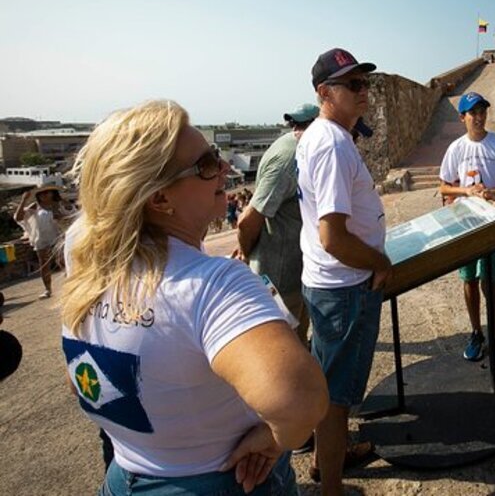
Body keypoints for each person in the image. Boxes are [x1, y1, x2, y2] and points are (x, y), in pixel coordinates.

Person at [60, 100, 327, 495]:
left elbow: (82, 385)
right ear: (159, 199)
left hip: (124, 478)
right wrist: (276, 440)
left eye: (216, 156)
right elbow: (300, 400)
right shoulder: (212, 285)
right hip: (224, 480)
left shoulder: (89, 273)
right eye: (205, 165)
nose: (223, 169)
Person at [297, 48, 392, 496]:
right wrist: (379, 260)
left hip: (328, 284)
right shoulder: (332, 143)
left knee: (328, 384)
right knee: (335, 400)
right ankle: (331, 488)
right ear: (324, 92)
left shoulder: (321, 136)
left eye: (364, 83)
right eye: (352, 85)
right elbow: (333, 236)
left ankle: (324, 460)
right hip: (345, 288)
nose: (364, 93)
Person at [439, 92, 495, 369]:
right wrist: (467, 192)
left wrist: (489, 193)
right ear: (463, 118)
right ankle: (476, 334)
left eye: (482, 111)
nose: (479, 117)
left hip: (491, 223)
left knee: (489, 281)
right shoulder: (456, 149)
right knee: (469, 279)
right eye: (473, 113)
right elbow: (444, 186)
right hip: (465, 223)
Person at [236, 103, 320, 346]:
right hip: (279, 276)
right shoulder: (288, 158)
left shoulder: (297, 148)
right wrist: (246, 251)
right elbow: (248, 220)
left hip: (295, 271)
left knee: (300, 341)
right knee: (286, 348)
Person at [14, 184, 65, 298]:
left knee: (62, 261)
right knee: (44, 265)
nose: (44, 195)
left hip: (57, 237)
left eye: (47, 192)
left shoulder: (58, 204)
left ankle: (68, 284)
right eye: (41, 193)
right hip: (41, 239)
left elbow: (68, 216)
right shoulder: (35, 206)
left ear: (52, 193)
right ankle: (48, 289)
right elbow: (18, 217)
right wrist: (23, 200)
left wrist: (59, 214)